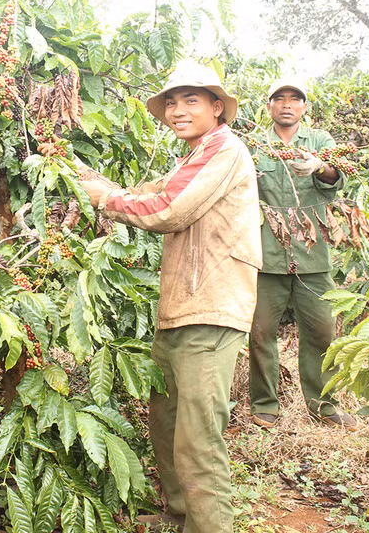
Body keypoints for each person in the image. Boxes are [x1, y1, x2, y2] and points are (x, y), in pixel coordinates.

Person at [53, 61, 262, 533]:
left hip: (210, 307)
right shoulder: (193, 158)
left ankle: (210, 526)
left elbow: (168, 208)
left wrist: (103, 199)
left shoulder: (224, 150)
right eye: (172, 101)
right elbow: (151, 191)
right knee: (166, 421)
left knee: (197, 437)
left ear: (217, 107)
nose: (178, 109)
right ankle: (179, 511)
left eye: (191, 100)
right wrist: (90, 179)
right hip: (181, 309)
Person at [247, 79, 358, 431]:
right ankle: (265, 404)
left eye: (295, 99)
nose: (286, 104)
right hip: (266, 253)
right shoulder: (254, 144)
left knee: (322, 332)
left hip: (312, 256)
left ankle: (323, 405)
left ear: (305, 107)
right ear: (269, 107)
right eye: (279, 99)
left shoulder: (320, 141)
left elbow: (335, 176)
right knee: (261, 332)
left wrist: (319, 166)